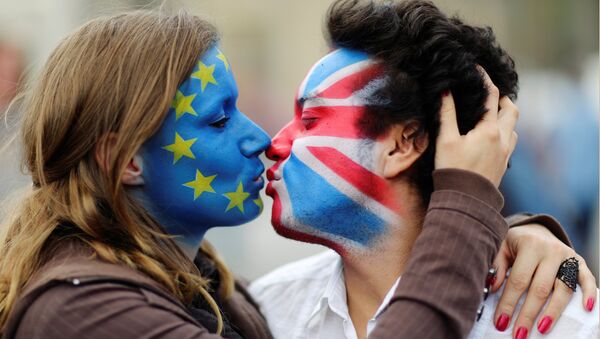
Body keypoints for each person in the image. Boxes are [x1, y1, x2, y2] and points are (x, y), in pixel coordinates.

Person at [0, 7, 592, 339]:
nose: (265, 140)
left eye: (309, 118)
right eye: (218, 119)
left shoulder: (232, 305)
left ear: (405, 143)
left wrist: (522, 235)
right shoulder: (84, 312)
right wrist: (467, 208)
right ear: (126, 160)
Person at [249, 1, 599, 339]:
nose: (275, 143)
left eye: (310, 121)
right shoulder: (267, 311)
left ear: (404, 144)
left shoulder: (567, 329)